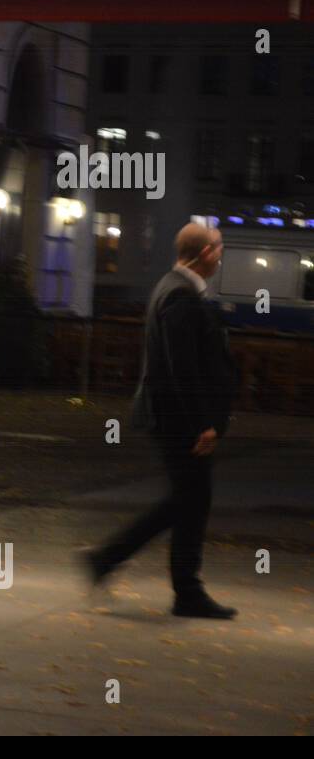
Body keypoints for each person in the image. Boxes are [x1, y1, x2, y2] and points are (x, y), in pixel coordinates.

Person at [83, 224, 238, 619]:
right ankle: (177, 588)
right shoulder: (180, 297)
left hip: (173, 415)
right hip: (178, 419)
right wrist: (203, 422)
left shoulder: (173, 289)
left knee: (188, 500)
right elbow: (181, 368)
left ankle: (116, 563)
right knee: (190, 499)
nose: (221, 256)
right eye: (218, 248)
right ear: (204, 253)